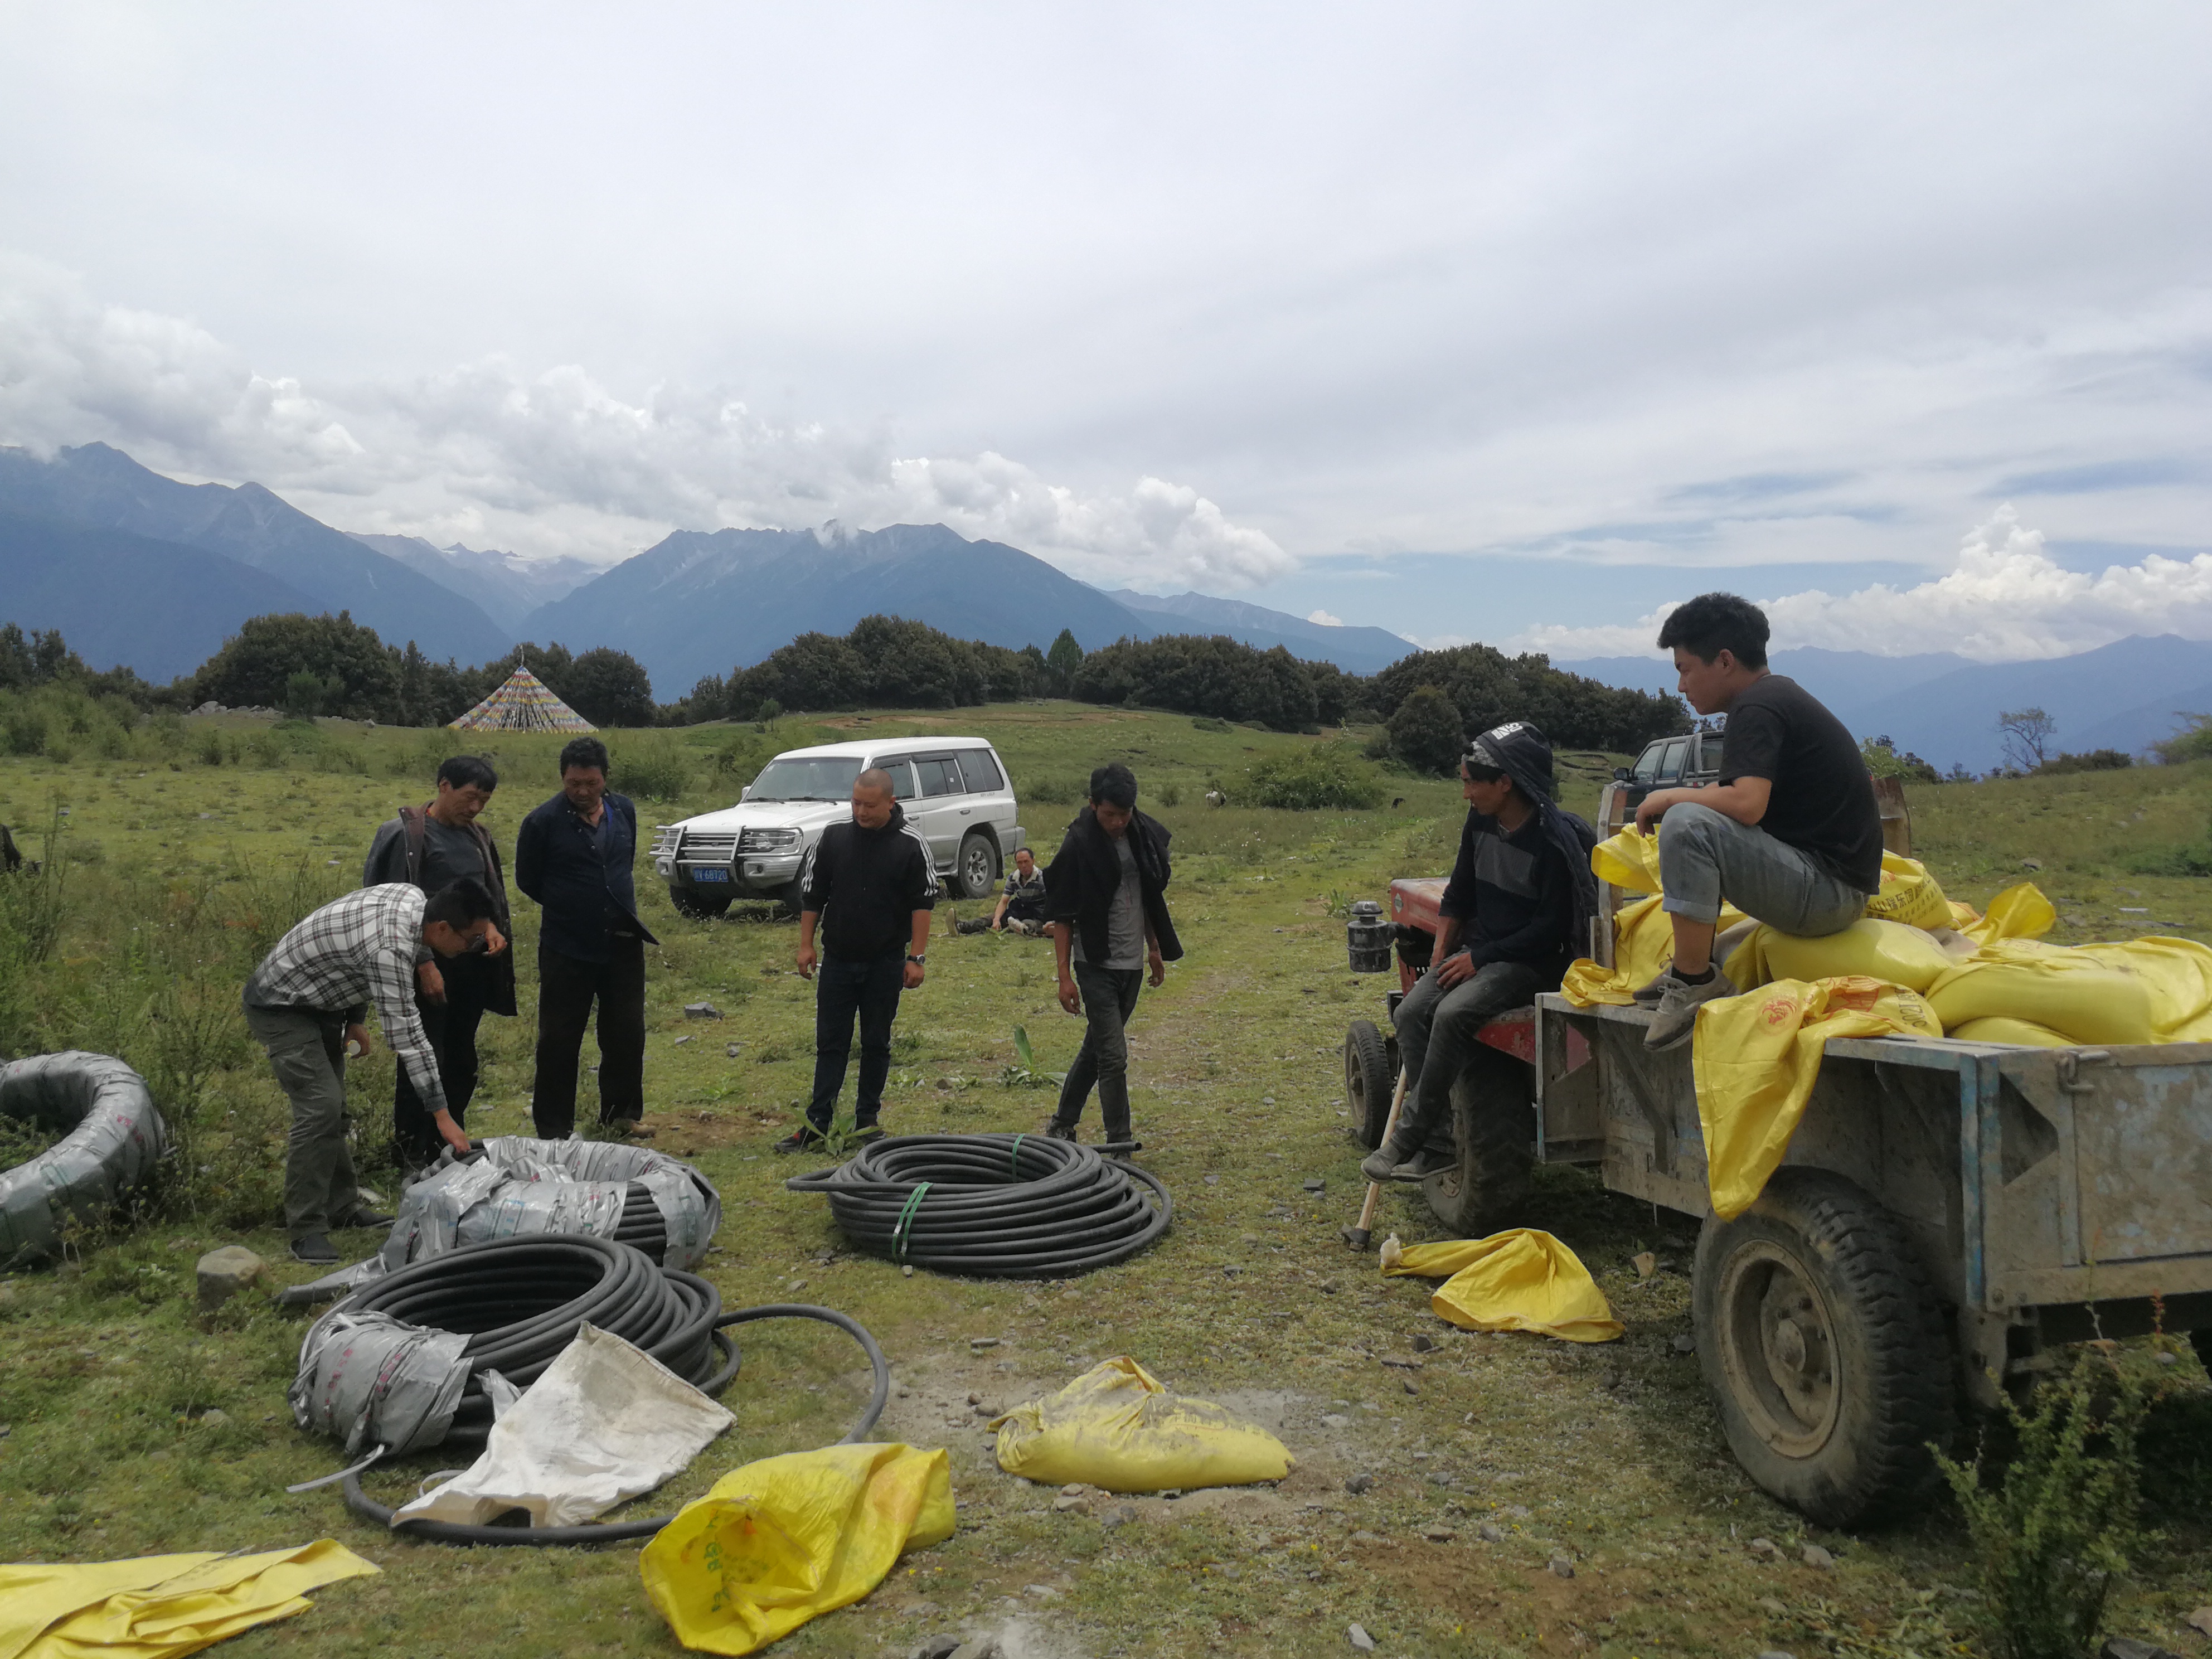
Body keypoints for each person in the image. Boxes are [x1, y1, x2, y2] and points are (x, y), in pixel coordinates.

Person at [1633, 592, 1883, 1050]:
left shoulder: (1757, 707)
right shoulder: (1773, 697)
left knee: (1687, 824)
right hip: (1834, 883)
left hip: (1828, 892)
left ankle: (1693, 981)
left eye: (1685, 670)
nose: (1681, 687)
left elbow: (1747, 804)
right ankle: (1693, 967)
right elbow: (1741, 797)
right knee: (1696, 815)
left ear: (1725, 661)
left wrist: (1670, 796)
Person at [1361, 723, 1595, 1183]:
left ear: (1504, 782)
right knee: (1411, 1011)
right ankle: (1438, 1145)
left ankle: (1408, 1137)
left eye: (1472, 783)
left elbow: (1549, 929)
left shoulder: (1554, 841)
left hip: (1532, 962)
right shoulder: (1481, 823)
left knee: (1451, 1015)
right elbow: (1459, 893)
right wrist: (1439, 961)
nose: (1466, 793)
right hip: (1483, 951)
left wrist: (1480, 959)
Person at [243, 878, 498, 1263]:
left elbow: (350, 950)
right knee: (320, 1109)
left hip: (323, 999)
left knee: (334, 1109)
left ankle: (341, 1207)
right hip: (281, 1005)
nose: (473, 947)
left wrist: (356, 1019)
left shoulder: (414, 899)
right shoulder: (390, 949)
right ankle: (305, 1228)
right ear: (443, 928)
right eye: (472, 939)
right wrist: (443, 1117)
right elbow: (409, 1038)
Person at [362, 755, 515, 1167]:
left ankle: (448, 1147)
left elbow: (483, 897)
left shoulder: (478, 837)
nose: (475, 808)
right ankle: (411, 1150)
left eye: (484, 801)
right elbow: (386, 907)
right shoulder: (406, 836)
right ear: (444, 785)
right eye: (469, 797)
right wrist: (425, 963)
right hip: (423, 962)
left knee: (462, 1057)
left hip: (470, 964)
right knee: (425, 1053)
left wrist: (492, 929)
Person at [778, 768, 937, 1152]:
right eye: (856, 803)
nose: (861, 812)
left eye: (870, 805)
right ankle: (817, 1123)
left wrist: (916, 958)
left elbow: (923, 903)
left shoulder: (911, 844)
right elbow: (813, 894)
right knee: (830, 1043)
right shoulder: (833, 838)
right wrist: (805, 945)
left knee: (876, 1042)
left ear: (891, 803)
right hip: (837, 961)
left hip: (886, 962)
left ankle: (867, 1122)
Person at [515, 735, 658, 1139]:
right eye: (574, 783)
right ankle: (553, 1129)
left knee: (626, 1032)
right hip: (566, 946)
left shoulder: (624, 810)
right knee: (559, 1038)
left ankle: (621, 1115)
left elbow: (623, 863)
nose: (582, 791)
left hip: (623, 941)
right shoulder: (542, 822)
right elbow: (528, 880)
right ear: (563, 778)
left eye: (591, 783)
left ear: (605, 778)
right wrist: (574, 904)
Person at [1040, 763, 1182, 1147]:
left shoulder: (1142, 836)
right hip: (1094, 962)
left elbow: (1148, 896)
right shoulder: (1078, 845)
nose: (1118, 822)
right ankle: (1120, 1141)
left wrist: (1154, 947)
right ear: (1093, 805)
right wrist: (1064, 976)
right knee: (1114, 1057)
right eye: (1109, 815)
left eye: (1124, 814)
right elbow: (1063, 915)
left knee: (1098, 1049)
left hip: (1130, 961)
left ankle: (1061, 1124)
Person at [953, 845, 1048, 935]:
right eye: (1020, 863)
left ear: (1033, 861)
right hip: (1021, 911)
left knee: (1030, 925)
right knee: (992, 918)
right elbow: (1004, 902)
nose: (1024, 866)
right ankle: (962, 927)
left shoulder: (1042, 879)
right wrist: (997, 919)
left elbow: (1052, 902)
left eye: (1026, 862)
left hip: (1038, 914)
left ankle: (1019, 927)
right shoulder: (1013, 878)